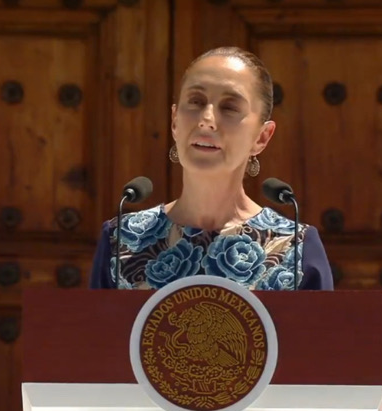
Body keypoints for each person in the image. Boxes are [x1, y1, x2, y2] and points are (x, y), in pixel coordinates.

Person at [89, 46, 333, 291]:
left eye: (229, 107)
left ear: (262, 137)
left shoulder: (295, 247)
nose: (206, 120)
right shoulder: (121, 240)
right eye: (196, 101)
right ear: (174, 122)